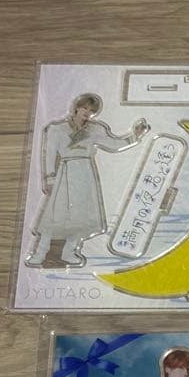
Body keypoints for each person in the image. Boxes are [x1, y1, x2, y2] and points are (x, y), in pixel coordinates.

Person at [27, 93, 149, 267]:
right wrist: (49, 178)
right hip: (65, 172)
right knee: (54, 214)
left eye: (91, 110)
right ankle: (39, 253)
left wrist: (135, 136)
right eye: (84, 108)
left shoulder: (95, 129)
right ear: (77, 107)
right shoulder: (57, 129)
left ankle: (70, 252)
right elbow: (50, 154)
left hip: (85, 173)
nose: (87, 112)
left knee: (81, 215)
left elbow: (114, 144)